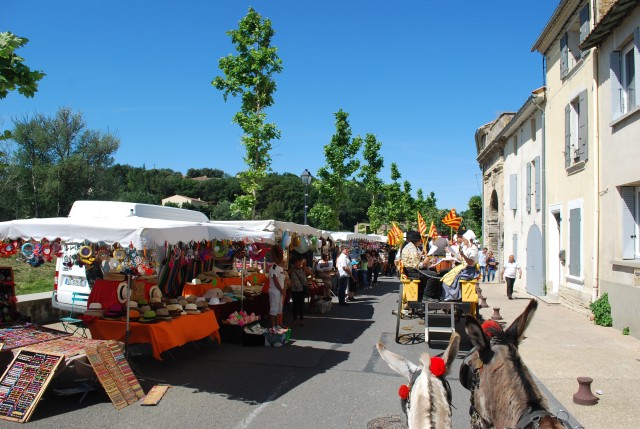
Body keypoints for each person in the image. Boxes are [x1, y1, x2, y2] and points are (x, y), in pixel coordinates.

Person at [441, 230, 479, 302]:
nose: (463, 240)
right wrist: (452, 253)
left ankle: (452, 296)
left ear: (468, 240)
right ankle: (448, 295)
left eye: (464, 239)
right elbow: (461, 258)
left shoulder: (473, 249)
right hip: (464, 267)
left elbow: (470, 262)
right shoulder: (466, 247)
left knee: (450, 279)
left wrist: (463, 256)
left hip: (469, 270)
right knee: (446, 276)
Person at [268, 246, 286, 330]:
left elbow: (282, 280)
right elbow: (275, 281)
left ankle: (278, 324)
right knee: (274, 308)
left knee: (279, 308)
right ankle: (273, 325)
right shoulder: (273, 268)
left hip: (280, 291)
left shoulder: (280, 268)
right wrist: (281, 290)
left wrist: (283, 289)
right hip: (275, 291)